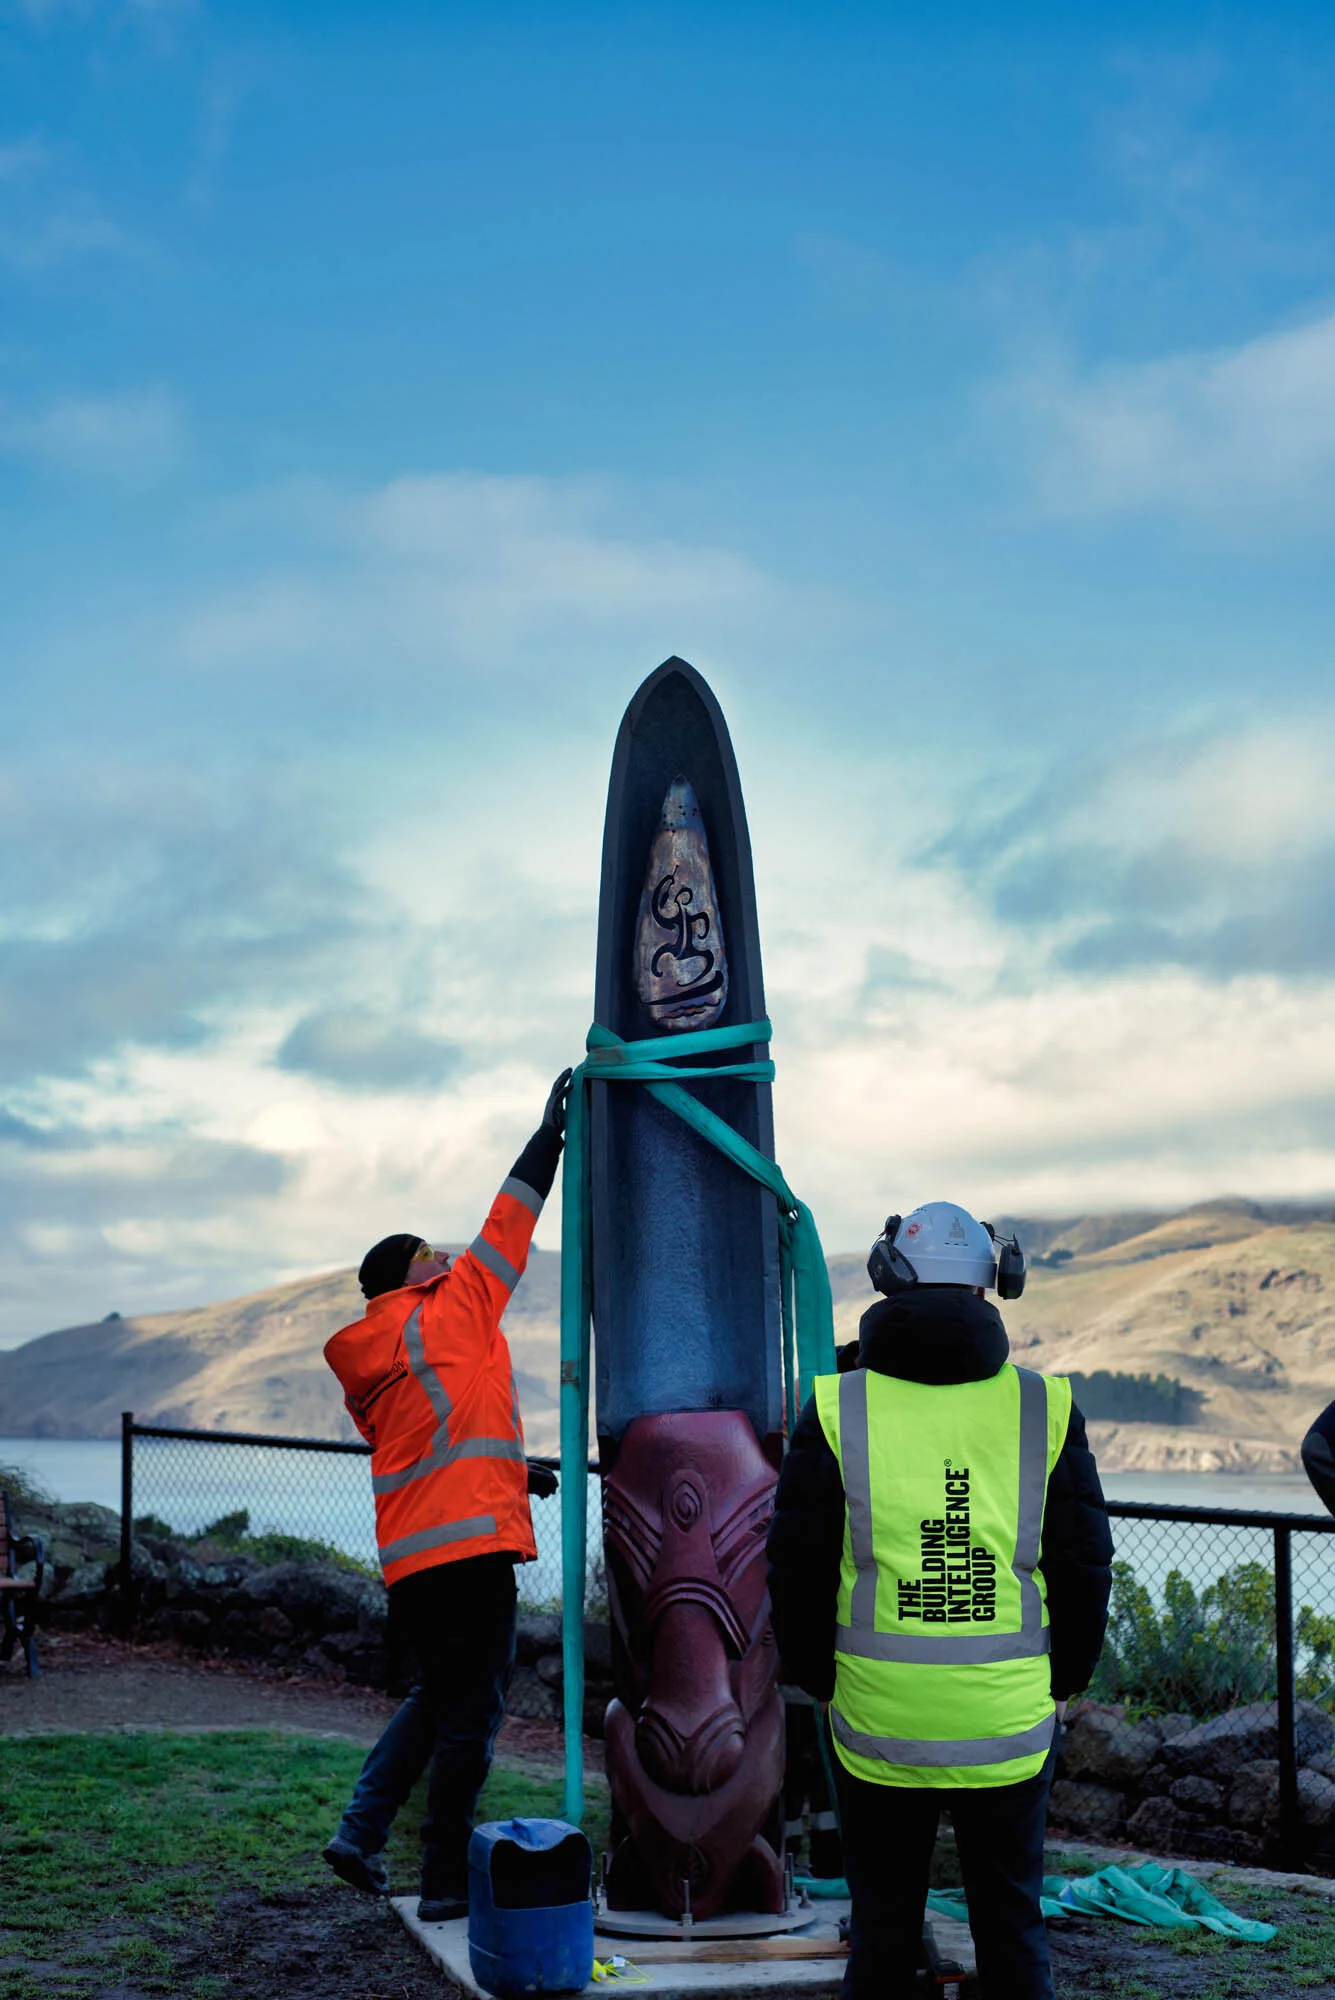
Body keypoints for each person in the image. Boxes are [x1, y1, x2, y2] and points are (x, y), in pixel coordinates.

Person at [767, 1201, 1113, 2000]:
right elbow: (1082, 1565)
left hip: (878, 1721)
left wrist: (819, 1680)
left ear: (888, 1279)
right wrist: (1065, 1680)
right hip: (1007, 1724)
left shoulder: (837, 1406)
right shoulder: (1043, 1406)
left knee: (882, 1929)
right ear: (993, 1287)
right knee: (1011, 1924)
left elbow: (796, 1566)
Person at [320, 1067, 573, 1921]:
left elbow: (424, 1442)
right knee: (472, 1716)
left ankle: (360, 1832)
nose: (448, 1255)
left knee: (440, 1697)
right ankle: (441, 1880)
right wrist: (548, 1137)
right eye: (430, 1252)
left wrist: (513, 1473)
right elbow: (509, 1222)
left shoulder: (374, 1354)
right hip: (471, 1551)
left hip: (413, 1558)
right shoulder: (454, 1308)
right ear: (407, 1276)